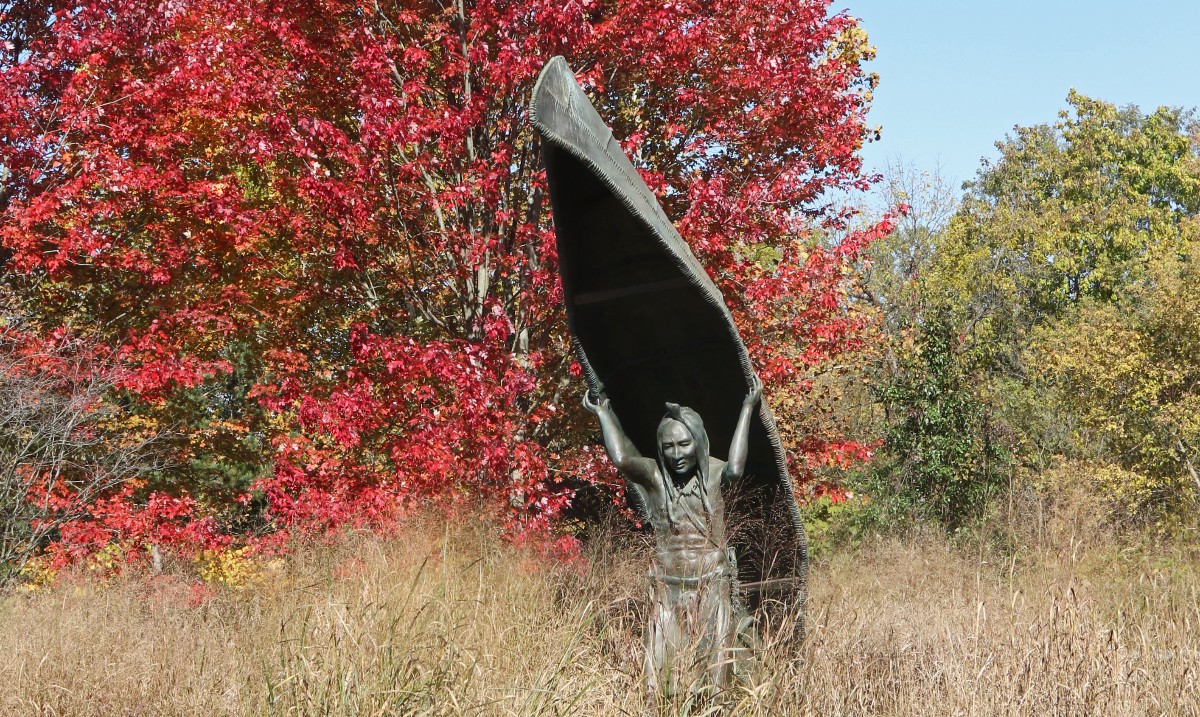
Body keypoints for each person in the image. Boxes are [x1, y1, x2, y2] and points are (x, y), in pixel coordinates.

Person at [583, 376, 762, 695]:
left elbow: (736, 468)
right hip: (667, 588)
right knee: (660, 674)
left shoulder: (715, 475)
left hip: (710, 585)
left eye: (684, 444)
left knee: (713, 674)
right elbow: (622, 459)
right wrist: (603, 414)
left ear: (698, 442)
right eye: (668, 447)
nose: (676, 454)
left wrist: (747, 408)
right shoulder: (655, 478)